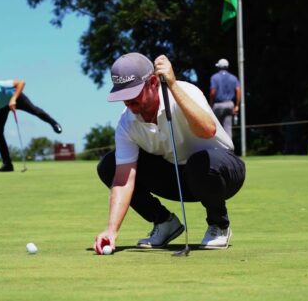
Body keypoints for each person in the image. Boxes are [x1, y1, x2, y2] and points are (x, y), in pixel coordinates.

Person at [94, 53, 245, 255]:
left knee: (199, 163)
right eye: (123, 95)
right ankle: (165, 223)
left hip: (221, 172)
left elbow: (207, 130)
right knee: (109, 166)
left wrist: (173, 85)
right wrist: (112, 231)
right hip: (179, 178)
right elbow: (123, 180)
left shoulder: (184, 91)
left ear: (154, 82)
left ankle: (219, 225)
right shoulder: (126, 124)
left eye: (134, 92)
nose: (128, 101)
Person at [0, 79, 62, 172]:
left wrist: (13, 99)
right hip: (1, 107)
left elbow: (21, 82)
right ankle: (7, 164)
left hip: (15, 97)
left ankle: (54, 123)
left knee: (34, 110)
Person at [209, 58, 241, 139]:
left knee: (216, 128)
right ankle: (229, 149)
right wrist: (237, 105)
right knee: (228, 128)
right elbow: (238, 90)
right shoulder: (233, 78)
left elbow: (213, 92)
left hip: (218, 105)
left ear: (219, 67)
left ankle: (218, 149)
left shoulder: (214, 77)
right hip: (230, 104)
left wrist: (211, 104)